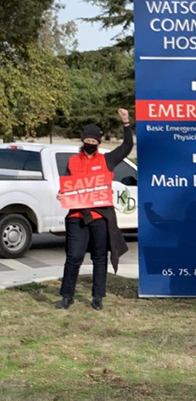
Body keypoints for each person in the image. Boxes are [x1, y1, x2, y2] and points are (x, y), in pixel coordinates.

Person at [56, 109, 133, 311]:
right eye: (88, 141)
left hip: (100, 217)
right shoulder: (72, 161)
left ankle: (98, 296)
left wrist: (126, 123)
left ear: (99, 143)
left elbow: (126, 147)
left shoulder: (107, 160)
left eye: (94, 142)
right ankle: (66, 296)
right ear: (83, 140)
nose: (91, 144)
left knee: (99, 257)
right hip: (76, 216)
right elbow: (67, 185)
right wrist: (62, 194)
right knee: (74, 256)